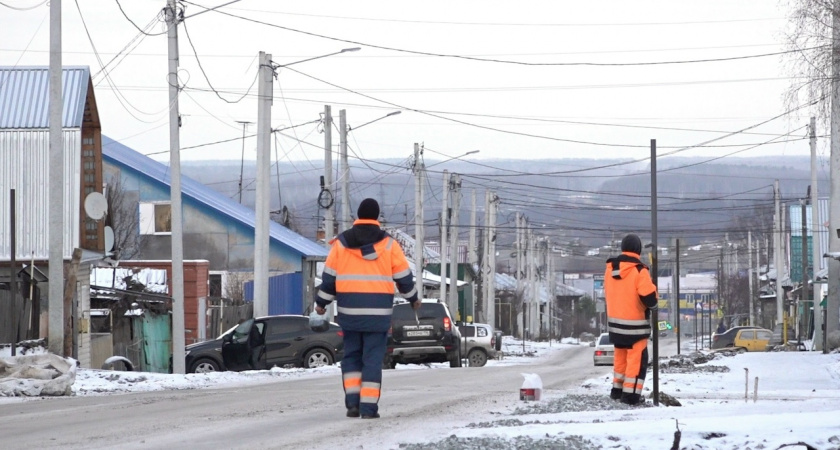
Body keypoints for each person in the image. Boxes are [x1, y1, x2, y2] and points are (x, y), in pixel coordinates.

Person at [315, 198, 419, 419]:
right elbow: (404, 278)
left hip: (349, 314)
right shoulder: (390, 245)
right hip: (378, 316)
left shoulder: (340, 244)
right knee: (372, 359)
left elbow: (328, 279)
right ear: (377, 217)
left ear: (358, 216)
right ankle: (369, 409)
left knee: (352, 357)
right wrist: (413, 299)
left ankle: (352, 404)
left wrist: (321, 303)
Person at [604, 234, 658, 406]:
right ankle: (631, 397)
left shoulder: (610, 270)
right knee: (636, 363)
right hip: (635, 329)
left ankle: (617, 393)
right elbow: (651, 299)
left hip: (615, 327)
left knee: (620, 363)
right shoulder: (639, 271)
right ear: (639, 250)